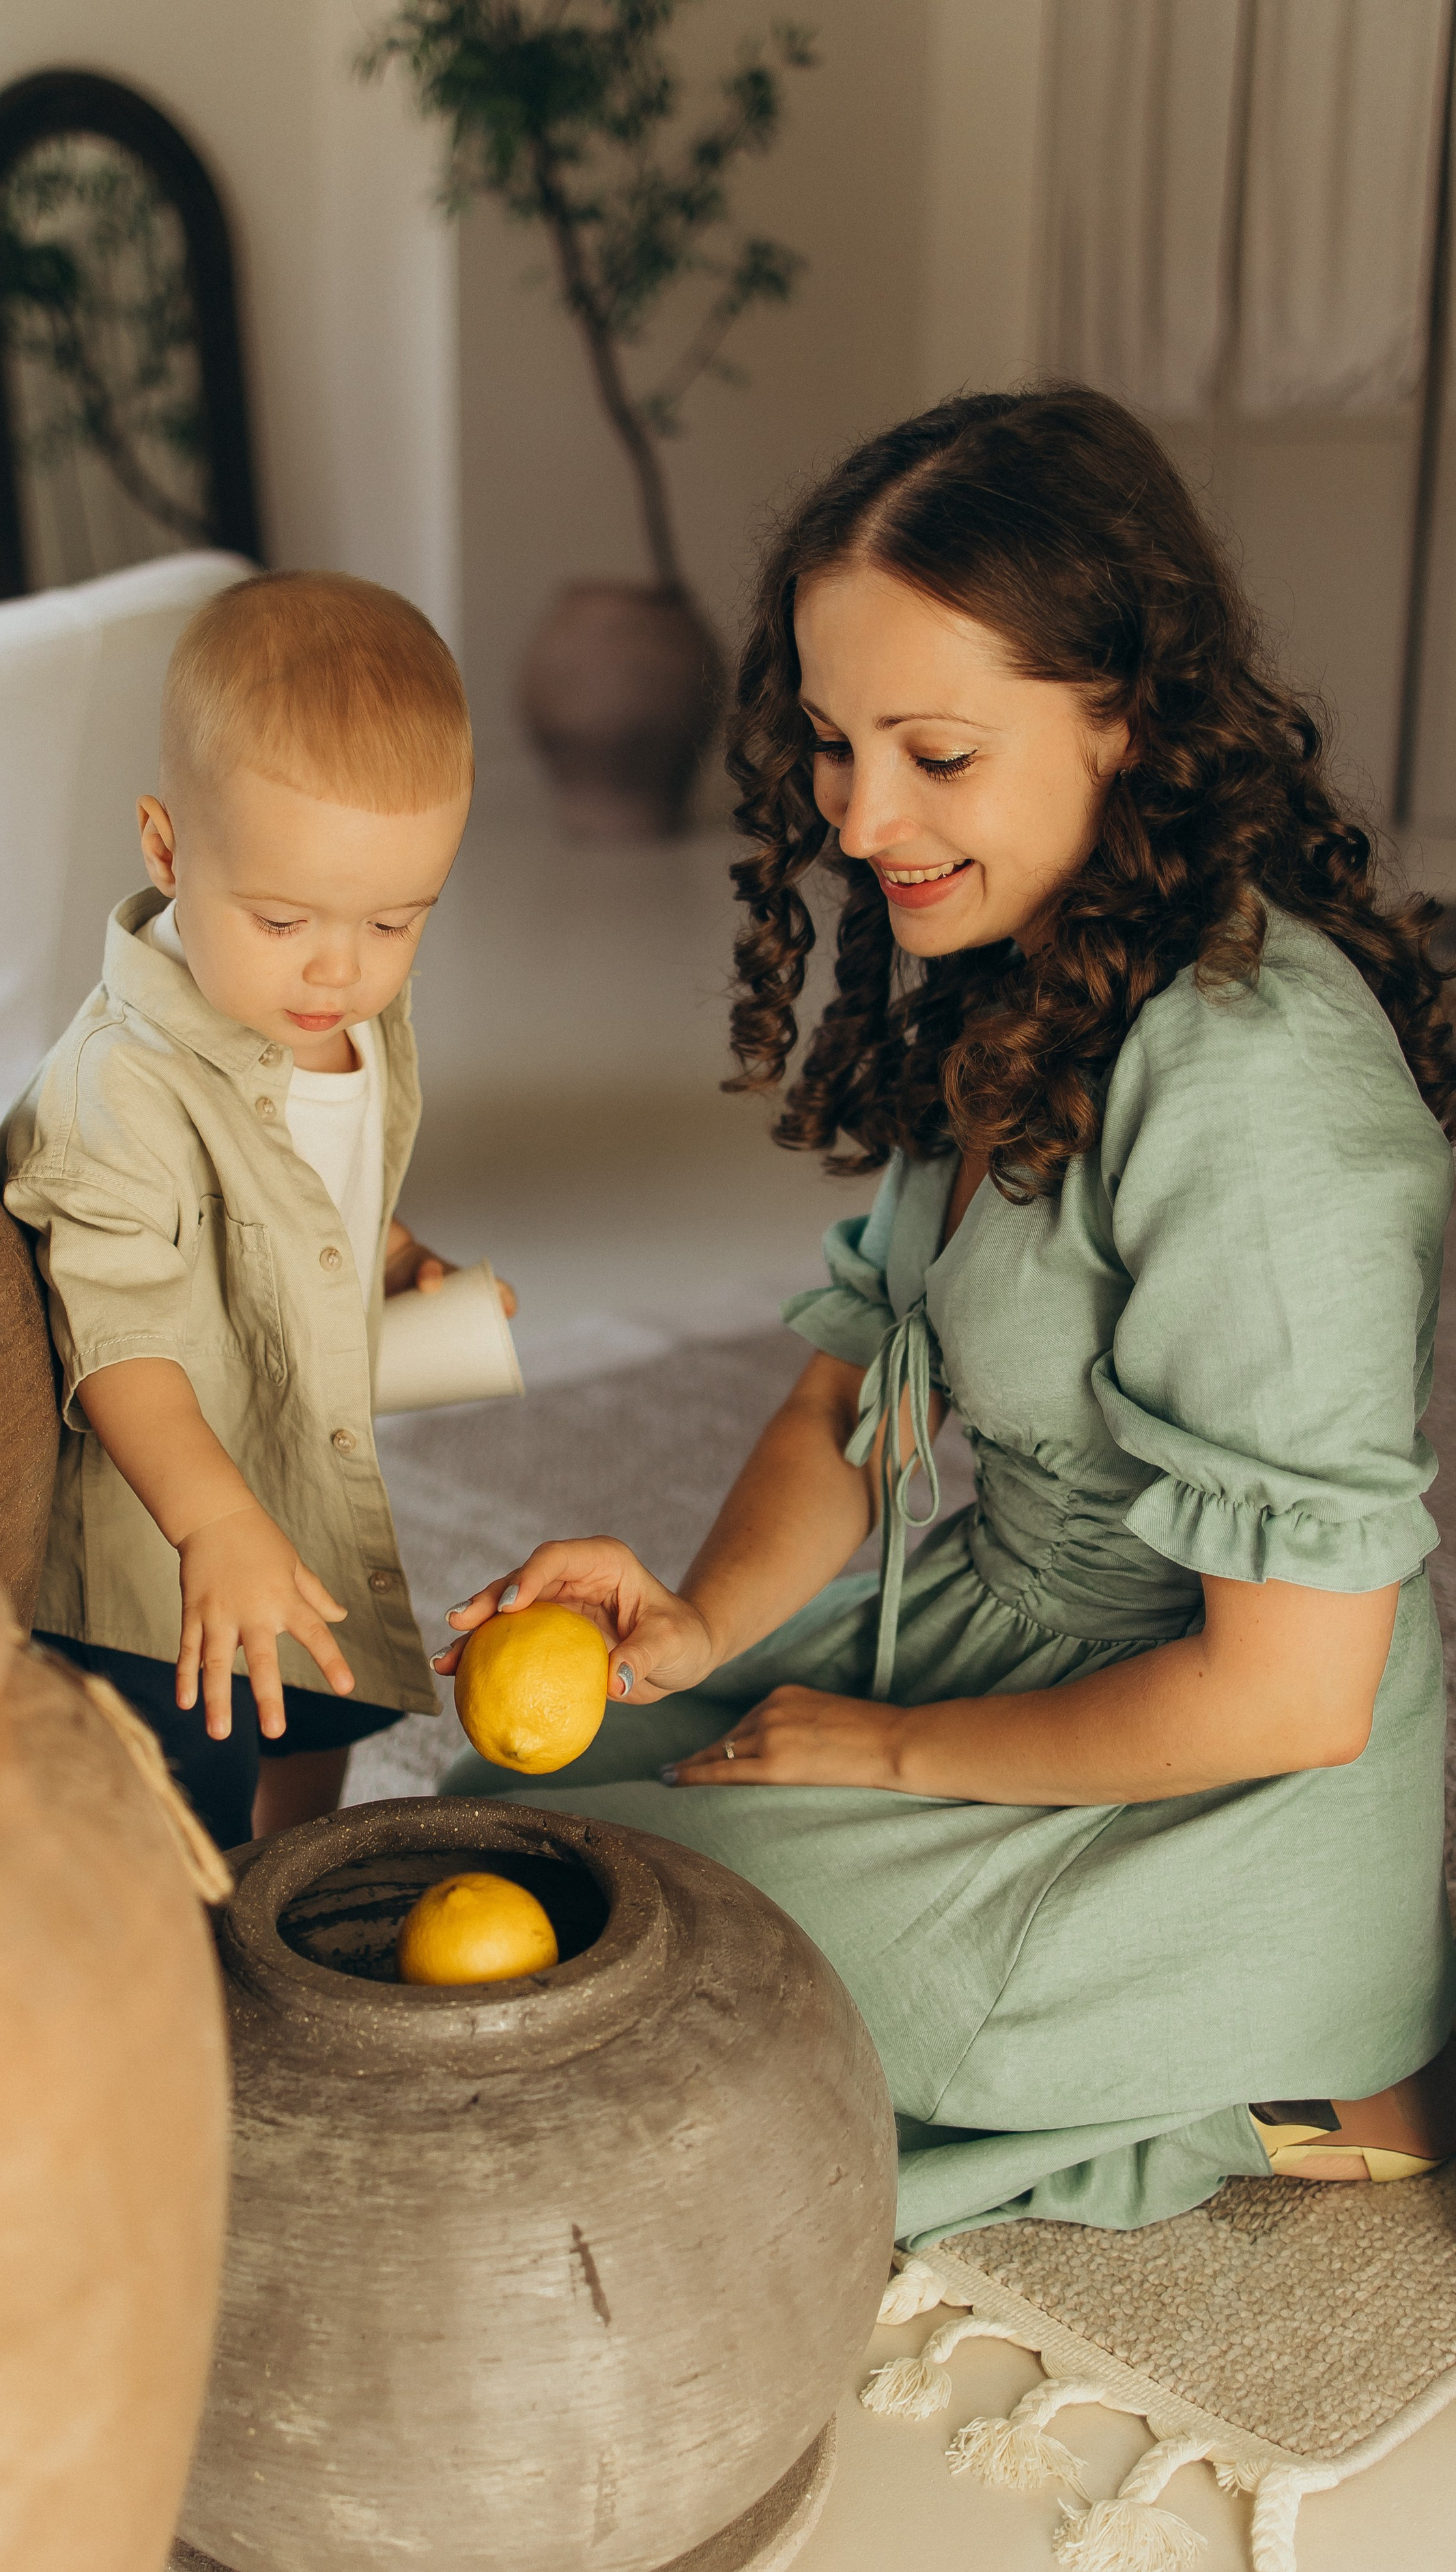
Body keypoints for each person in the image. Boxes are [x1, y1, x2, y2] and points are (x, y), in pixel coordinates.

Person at [436, 388, 1456, 2247]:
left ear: (1129, 717)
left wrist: (886, 1750)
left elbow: (1293, 1693)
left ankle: (1285, 2061)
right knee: (526, 1790)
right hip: (1029, 1649)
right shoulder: (1028, 975)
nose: (862, 818)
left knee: (640, 1925)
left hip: (1209, 1793)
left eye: (934, 753)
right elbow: (846, 1398)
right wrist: (690, 1628)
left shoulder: (1256, 1094)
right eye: (833, 745)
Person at [1, 571, 510, 1849]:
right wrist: (213, 1523)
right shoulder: (118, 1090)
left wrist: (397, 1260)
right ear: (168, 848)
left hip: (291, 1470)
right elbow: (123, 1336)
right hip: (158, 1534)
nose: (338, 967)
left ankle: (296, 1904)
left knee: (312, 1724)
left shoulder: (348, 1016)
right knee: (182, 1806)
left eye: (396, 920)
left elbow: (322, 1195)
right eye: (282, 918)